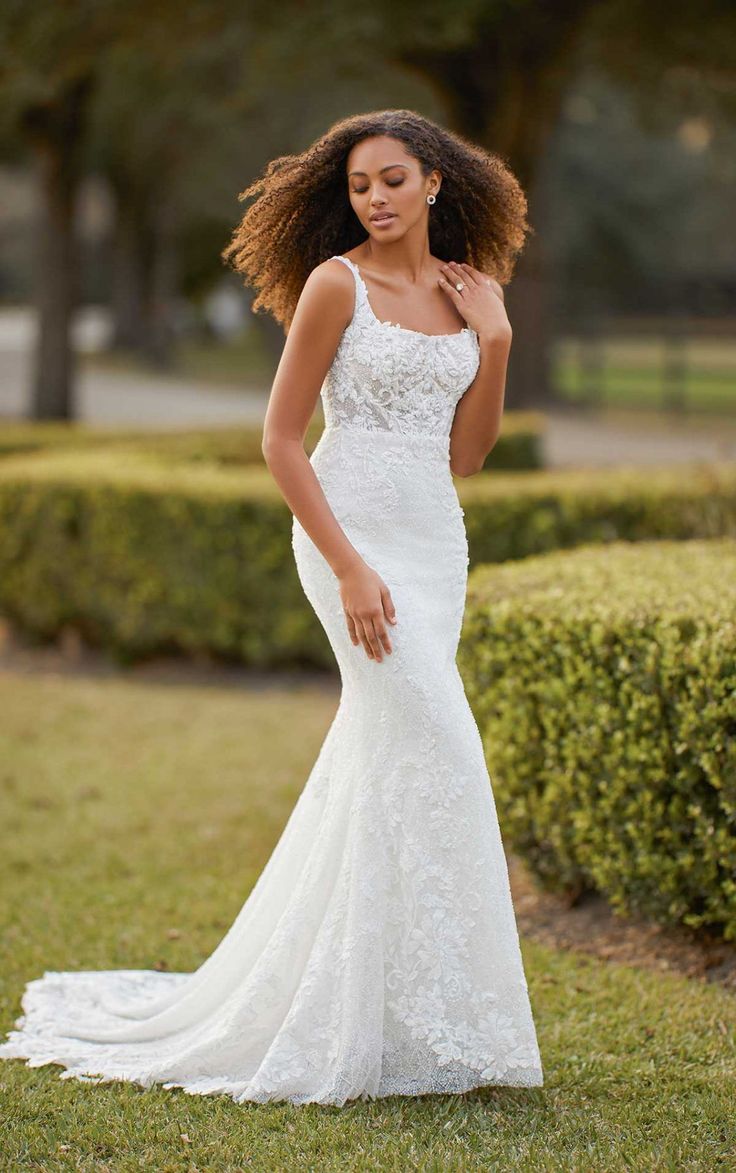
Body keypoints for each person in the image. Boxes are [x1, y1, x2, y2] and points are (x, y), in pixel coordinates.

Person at [0, 108, 543, 1105]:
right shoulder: (337, 286)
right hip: (348, 541)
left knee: (392, 761)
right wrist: (347, 568)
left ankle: (409, 1022)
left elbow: (464, 456)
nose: (374, 197)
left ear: (433, 183)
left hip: (433, 545)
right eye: (357, 185)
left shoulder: (473, 295)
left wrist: (495, 340)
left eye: (390, 179)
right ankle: (384, 1018)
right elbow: (282, 440)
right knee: (443, 749)